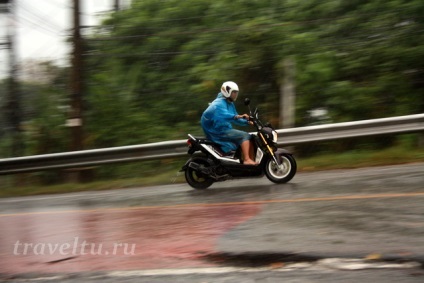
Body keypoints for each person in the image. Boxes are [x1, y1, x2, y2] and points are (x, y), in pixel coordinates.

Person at [201, 81, 257, 165]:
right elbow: (225, 115)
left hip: (223, 128)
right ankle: (246, 159)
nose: (235, 95)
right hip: (217, 131)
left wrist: (248, 122)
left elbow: (235, 119)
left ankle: (250, 161)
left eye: (236, 92)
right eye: (233, 92)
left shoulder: (230, 104)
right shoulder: (218, 103)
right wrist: (239, 116)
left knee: (251, 137)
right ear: (227, 92)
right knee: (245, 136)